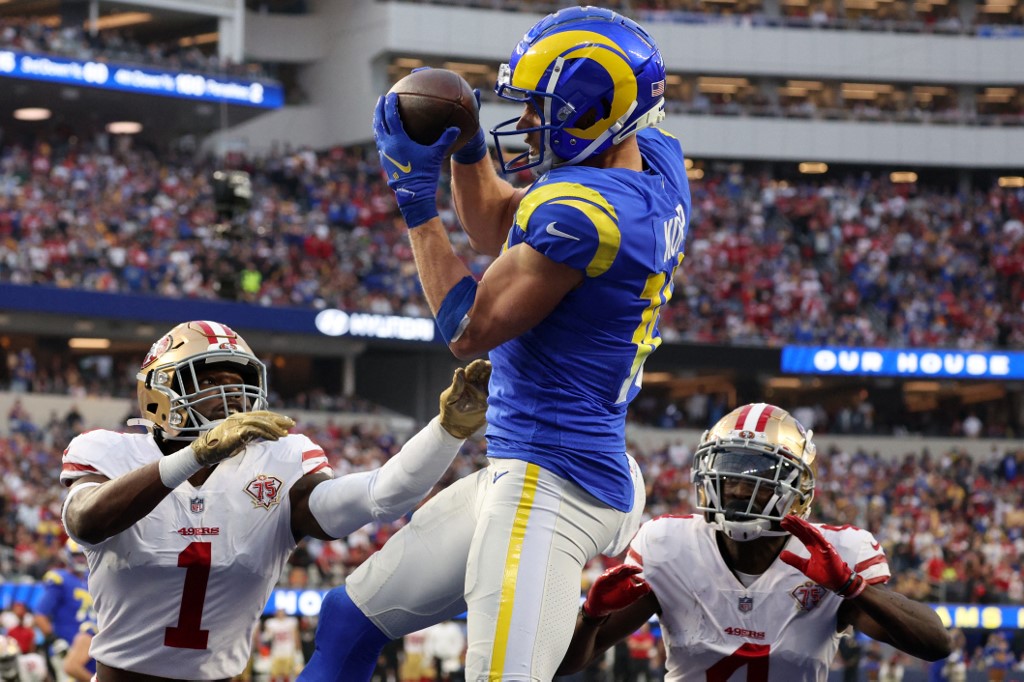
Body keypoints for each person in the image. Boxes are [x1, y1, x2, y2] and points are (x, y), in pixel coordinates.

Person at [302, 6, 688, 680]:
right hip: (550, 461)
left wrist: (416, 203)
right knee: (349, 618)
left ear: (598, 111)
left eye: (546, 108)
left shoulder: (588, 215)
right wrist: (469, 144)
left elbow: (467, 329)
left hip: (552, 485)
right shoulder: (652, 162)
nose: (530, 122)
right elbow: (501, 228)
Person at [60, 320, 490, 682]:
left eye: (239, 382)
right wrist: (195, 455)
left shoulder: (280, 460)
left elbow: (380, 496)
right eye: (209, 380)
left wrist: (446, 431)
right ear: (159, 392)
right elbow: (86, 521)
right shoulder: (108, 451)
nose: (230, 396)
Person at [557, 403, 953, 680]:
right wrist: (589, 616)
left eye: (758, 474)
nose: (736, 486)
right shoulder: (668, 544)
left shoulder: (836, 555)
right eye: (727, 469)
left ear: (798, 490)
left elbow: (936, 643)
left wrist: (854, 587)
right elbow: (568, 664)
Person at [33, 540, 90, 682]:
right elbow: (40, 615)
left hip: (89, 648)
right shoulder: (60, 579)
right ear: (68, 556)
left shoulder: (90, 578)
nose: (81, 559)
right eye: (77, 555)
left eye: (84, 555)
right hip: (67, 647)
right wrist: (55, 640)